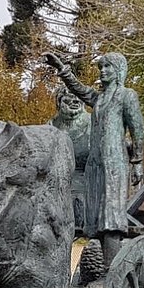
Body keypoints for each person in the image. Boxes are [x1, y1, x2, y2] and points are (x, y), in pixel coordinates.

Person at [45, 50, 144, 272]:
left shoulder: (126, 96)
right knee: (97, 218)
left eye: (107, 67)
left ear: (119, 70)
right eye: (101, 67)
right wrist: (62, 69)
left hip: (114, 164)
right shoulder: (99, 98)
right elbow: (78, 89)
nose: (103, 71)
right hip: (95, 165)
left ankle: (113, 272)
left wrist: (137, 161)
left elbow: (137, 129)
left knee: (111, 217)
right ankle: (105, 270)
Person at [48, 86, 91, 232]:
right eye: (68, 97)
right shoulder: (51, 126)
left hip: (87, 179)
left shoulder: (94, 123)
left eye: (77, 96)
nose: (74, 100)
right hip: (58, 181)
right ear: (59, 102)